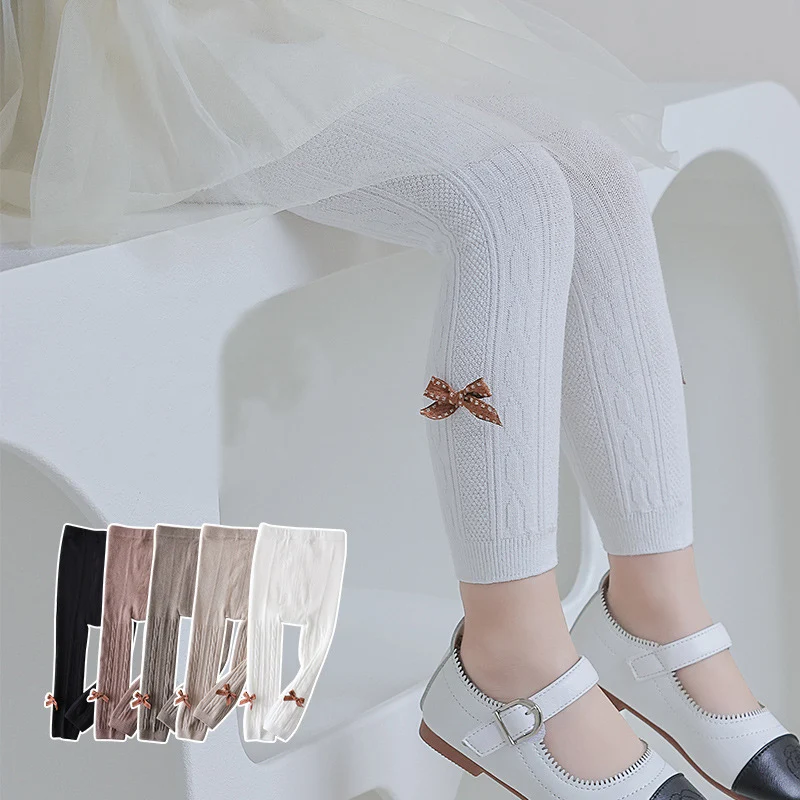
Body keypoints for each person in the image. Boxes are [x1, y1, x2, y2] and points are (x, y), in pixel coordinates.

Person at [4, 3, 797, 798]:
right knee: (508, 202)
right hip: (141, 48)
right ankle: (512, 654)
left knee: (594, 173)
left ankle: (659, 611)